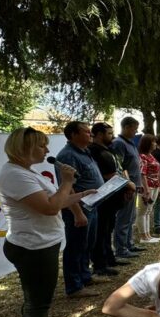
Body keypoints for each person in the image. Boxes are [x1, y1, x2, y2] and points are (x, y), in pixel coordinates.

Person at [0, 127, 94, 317]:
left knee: (35, 298)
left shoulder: (26, 172)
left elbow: (56, 202)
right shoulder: (15, 176)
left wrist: (80, 194)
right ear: (25, 147)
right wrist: (68, 182)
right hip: (32, 247)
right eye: (42, 146)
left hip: (41, 244)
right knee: (38, 301)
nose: (47, 150)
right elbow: (50, 207)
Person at [55, 121, 105, 296]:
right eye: (85, 132)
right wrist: (77, 212)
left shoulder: (85, 151)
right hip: (80, 209)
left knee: (87, 244)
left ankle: (85, 276)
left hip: (92, 206)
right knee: (76, 246)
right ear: (73, 134)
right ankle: (74, 286)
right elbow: (67, 187)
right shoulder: (68, 156)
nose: (90, 134)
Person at [89, 122, 134, 275]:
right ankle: (100, 265)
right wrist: (128, 184)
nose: (112, 136)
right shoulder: (94, 151)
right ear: (100, 134)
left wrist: (125, 187)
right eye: (109, 133)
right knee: (101, 232)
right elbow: (108, 175)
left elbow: (120, 170)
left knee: (108, 229)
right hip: (102, 199)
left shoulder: (109, 150)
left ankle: (109, 258)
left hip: (113, 196)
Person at [111, 116, 145, 258]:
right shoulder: (119, 144)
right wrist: (127, 184)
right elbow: (119, 167)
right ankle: (121, 249)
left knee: (131, 217)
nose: (136, 131)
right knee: (124, 218)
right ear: (126, 127)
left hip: (134, 185)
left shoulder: (130, 143)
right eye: (134, 128)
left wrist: (139, 184)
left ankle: (129, 244)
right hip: (126, 187)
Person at [137, 134, 160, 243]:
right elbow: (142, 174)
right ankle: (143, 236)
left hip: (155, 186)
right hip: (147, 186)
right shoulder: (142, 156)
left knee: (148, 211)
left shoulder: (151, 156)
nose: (155, 144)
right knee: (143, 211)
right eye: (153, 142)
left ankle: (148, 235)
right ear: (148, 143)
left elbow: (157, 172)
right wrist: (146, 189)